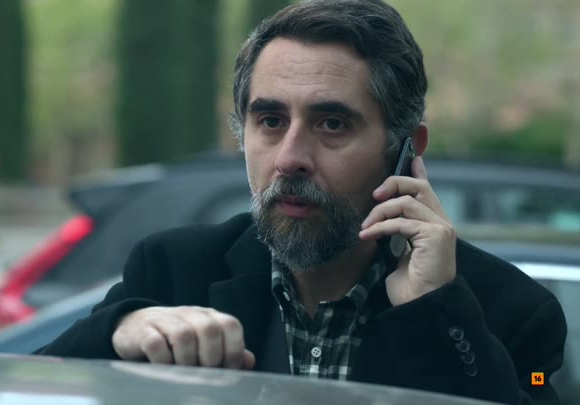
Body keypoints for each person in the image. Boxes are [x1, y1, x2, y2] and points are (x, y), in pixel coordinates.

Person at [34, 0, 567, 403]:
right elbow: (32, 382)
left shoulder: (512, 310)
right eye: (270, 121)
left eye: (331, 124)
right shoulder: (173, 270)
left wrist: (433, 312)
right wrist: (120, 330)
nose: (290, 158)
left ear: (406, 147)